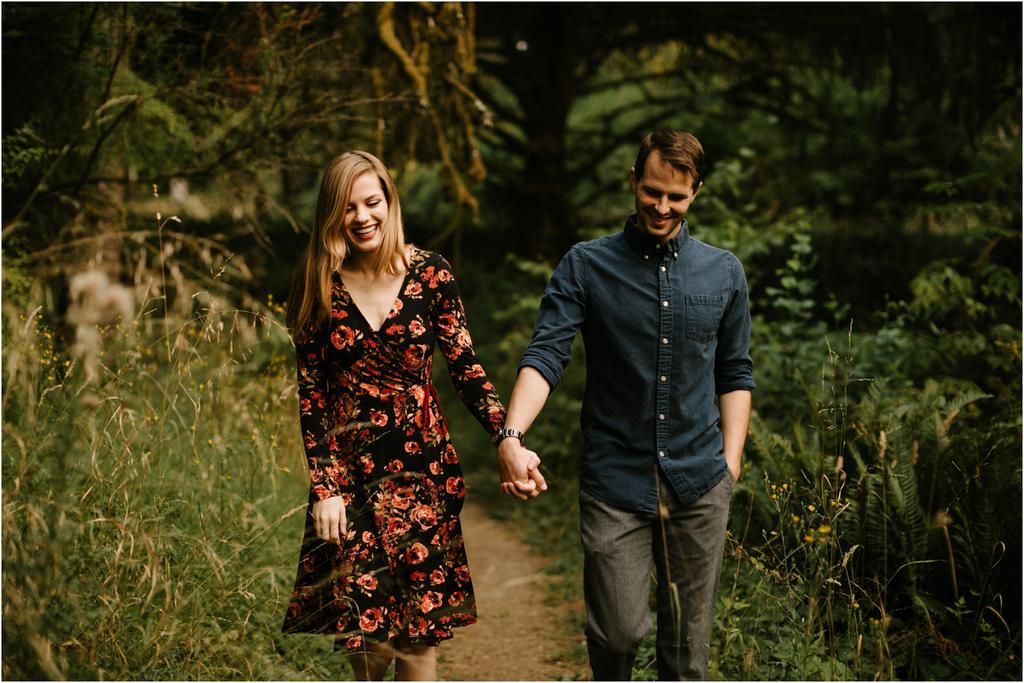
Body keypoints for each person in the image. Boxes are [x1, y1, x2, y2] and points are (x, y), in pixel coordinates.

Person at [497, 129, 755, 680]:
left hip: (700, 482)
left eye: (676, 197)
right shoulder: (586, 266)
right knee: (617, 635)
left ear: (696, 193)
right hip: (616, 481)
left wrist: (731, 461)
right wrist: (511, 435)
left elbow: (735, 371)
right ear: (634, 181)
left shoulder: (724, 271)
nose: (662, 207)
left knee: (687, 650)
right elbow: (547, 354)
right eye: (652, 192)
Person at [281, 151, 541, 680]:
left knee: (418, 637)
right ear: (332, 216)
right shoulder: (318, 283)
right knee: (371, 641)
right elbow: (312, 396)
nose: (361, 217)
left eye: (372, 202)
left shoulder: (432, 275)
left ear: (390, 202)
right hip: (351, 480)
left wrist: (506, 438)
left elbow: (467, 369)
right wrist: (326, 486)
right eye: (347, 208)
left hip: (423, 474)